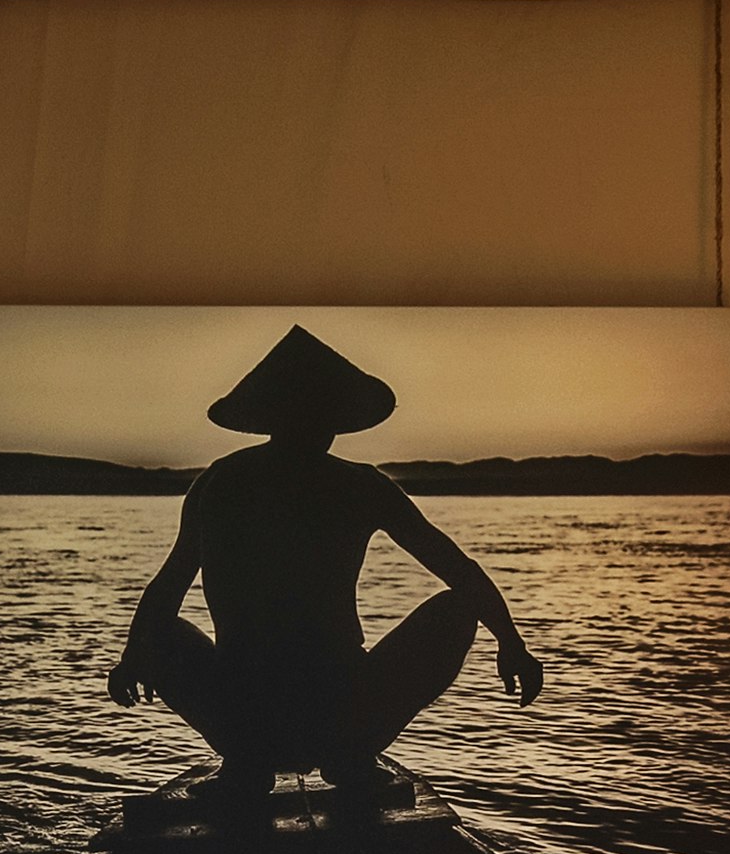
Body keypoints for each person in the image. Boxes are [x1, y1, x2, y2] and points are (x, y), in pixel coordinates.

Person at [107, 325, 546, 815]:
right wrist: (511, 643)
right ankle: (334, 759)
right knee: (459, 608)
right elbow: (459, 570)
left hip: (255, 712)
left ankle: (255, 765)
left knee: (160, 631)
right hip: (329, 712)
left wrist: (134, 655)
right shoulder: (352, 485)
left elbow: (167, 588)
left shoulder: (222, 481)